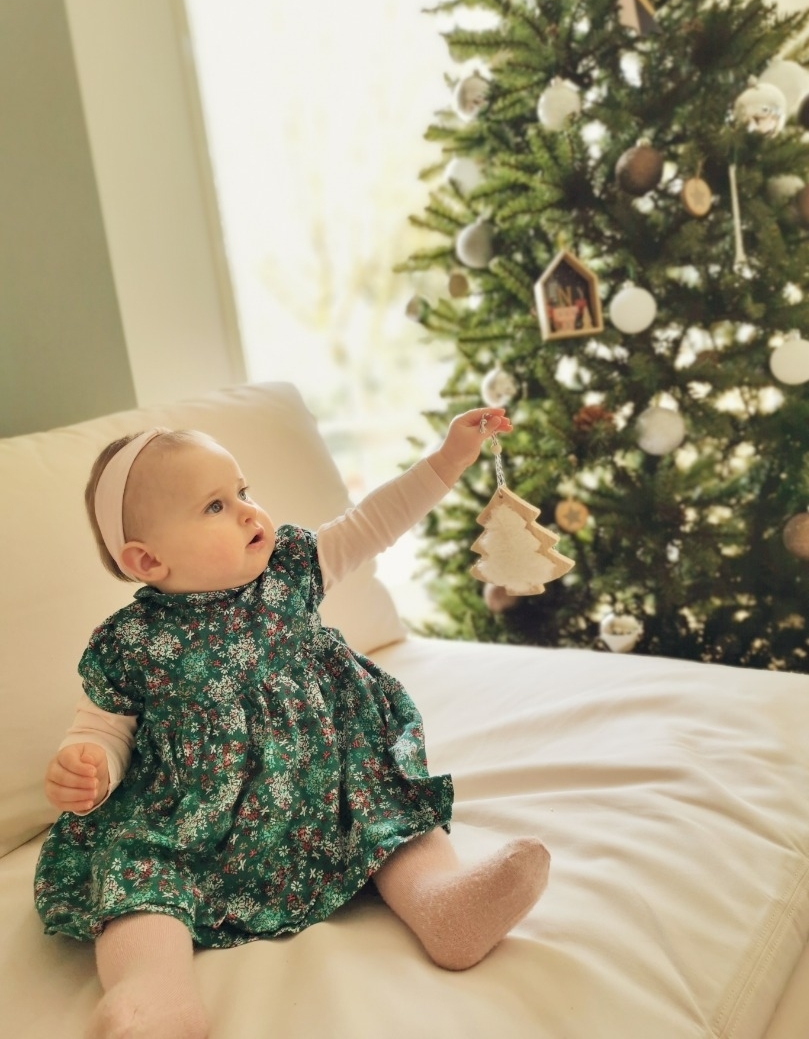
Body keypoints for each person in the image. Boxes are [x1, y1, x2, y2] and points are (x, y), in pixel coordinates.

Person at [35, 407, 550, 1039]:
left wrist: (448, 460)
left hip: (333, 783)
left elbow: (374, 522)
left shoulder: (292, 569)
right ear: (146, 561)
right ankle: (150, 995)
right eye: (215, 506)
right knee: (138, 877)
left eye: (243, 491)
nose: (249, 512)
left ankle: (447, 907)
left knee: (391, 813)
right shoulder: (132, 642)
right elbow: (105, 724)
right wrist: (90, 763)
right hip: (199, 817)